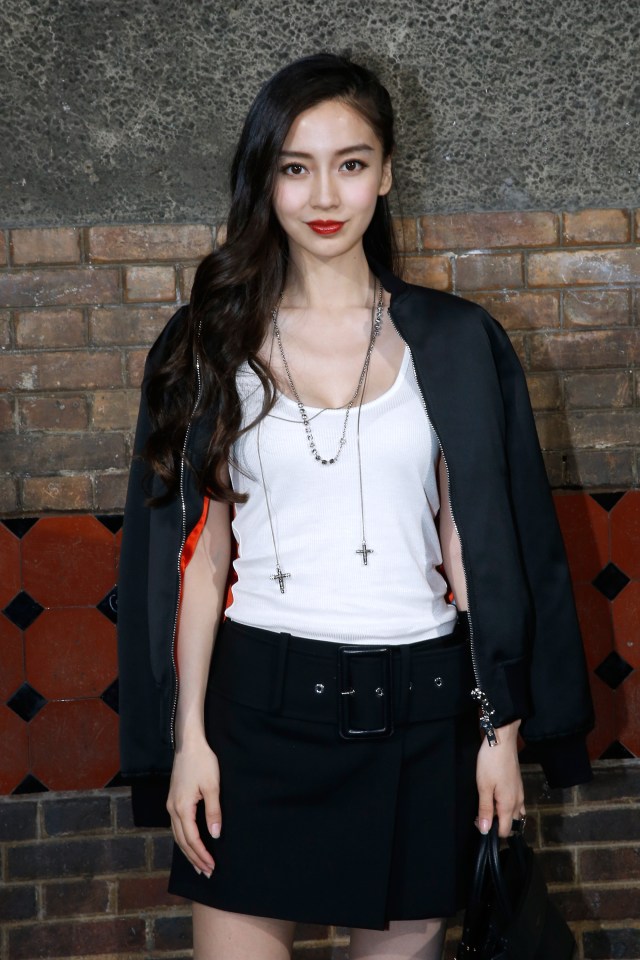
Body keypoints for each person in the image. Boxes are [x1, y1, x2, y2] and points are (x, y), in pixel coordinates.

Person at [117, 53, 594, 960]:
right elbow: (197, 554)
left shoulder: (455, 341)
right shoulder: (210, 340)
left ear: (386, 173)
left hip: (422, 720)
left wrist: (500, 735)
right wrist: (189, 740)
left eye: (351, 162)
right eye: (295, 167)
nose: (324, 194)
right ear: (266, 181)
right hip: (253, 723)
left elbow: (478, 550)